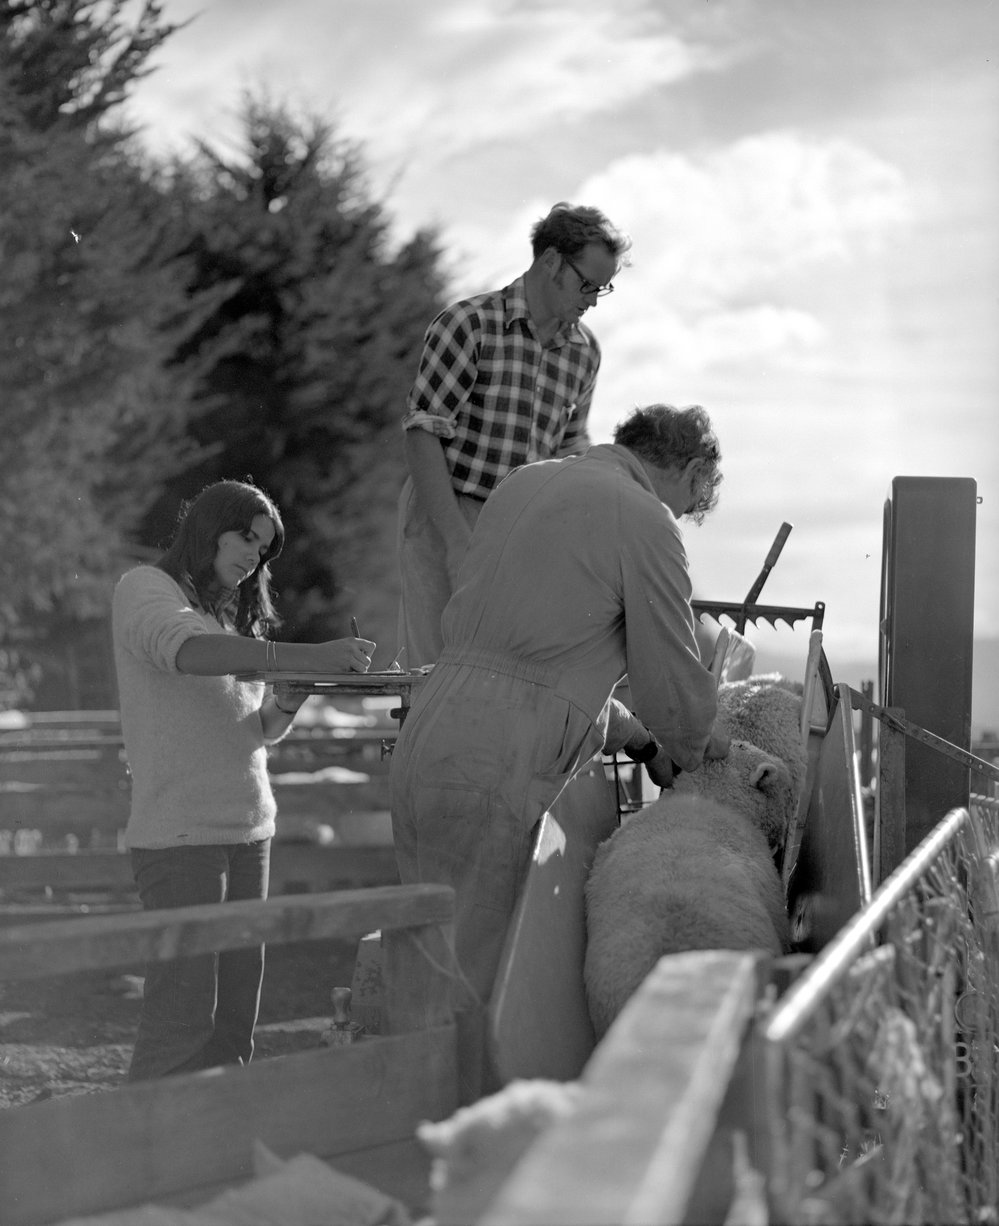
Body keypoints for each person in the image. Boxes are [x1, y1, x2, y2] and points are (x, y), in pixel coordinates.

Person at [389, 403, 730, 1093]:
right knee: (490, 978)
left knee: (426, 952)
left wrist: (636, 741)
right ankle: (472, 1156)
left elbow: (536, 667)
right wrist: (709, 749)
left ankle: (402, 1129)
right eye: (696, 502)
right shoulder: (642, 519)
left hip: (431, 728)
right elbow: (670, 685)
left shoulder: (525, 484)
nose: (688, 516)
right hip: (499, 759)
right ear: (692, 469)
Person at [111, 479, 375, 1081]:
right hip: (181, 840)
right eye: (246, 537)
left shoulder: (228, 619)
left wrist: (286, 701)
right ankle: (145, 1153)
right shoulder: (144, 590)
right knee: (181, 1019)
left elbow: (251, 731)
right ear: (208, 527)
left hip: (249, 829)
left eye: (263, 549)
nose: (253, 555)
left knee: (233, 1023)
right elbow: (186, 653)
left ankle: (217, 1147)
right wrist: (312, 656)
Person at [397, 200, 632, 667]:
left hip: (525, 528)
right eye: (587, 284)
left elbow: (571, 451)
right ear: (550, 262)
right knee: (435, 675)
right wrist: (455, 540)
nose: (591, 300)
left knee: (506, 676)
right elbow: (423, 435)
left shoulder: (585, 353)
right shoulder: (468, 325)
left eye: (602, 289)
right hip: (448, 508)